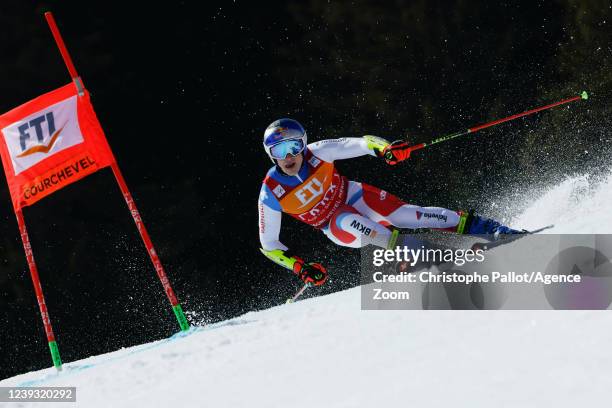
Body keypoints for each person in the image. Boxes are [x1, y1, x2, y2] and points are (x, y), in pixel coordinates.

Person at [258, 118, 521, 287]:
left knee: (411, 216)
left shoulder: (319, 152)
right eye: (278, 151)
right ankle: (427, 259)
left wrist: (386, 150)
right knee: (348, 220)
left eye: (293, 146)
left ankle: (492, 230)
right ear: (271, 156)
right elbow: (269, 245)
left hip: (354, 195)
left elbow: (362, 143)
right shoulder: (271, 192)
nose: (288, 156)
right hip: (335, 225)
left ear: (303, 145)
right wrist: (300, 267)